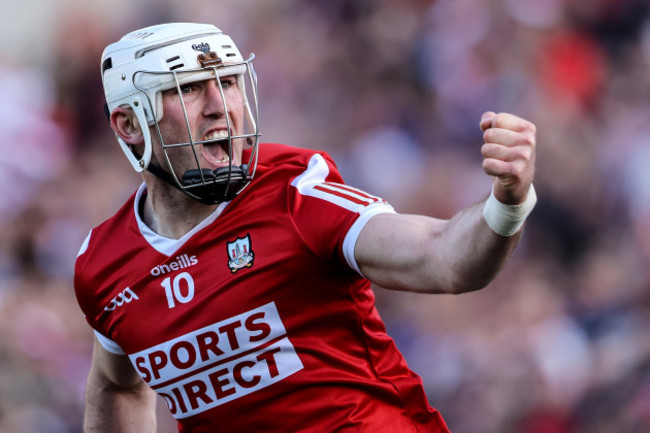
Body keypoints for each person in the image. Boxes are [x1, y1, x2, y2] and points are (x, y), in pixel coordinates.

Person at [74, 22, 537, 432]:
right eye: (188, 88)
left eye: (229, 82)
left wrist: (507, 202)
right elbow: (118, 387)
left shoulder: (294, 192)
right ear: (130, 124)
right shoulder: (103, 264)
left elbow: (444, 259)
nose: (220, 105)